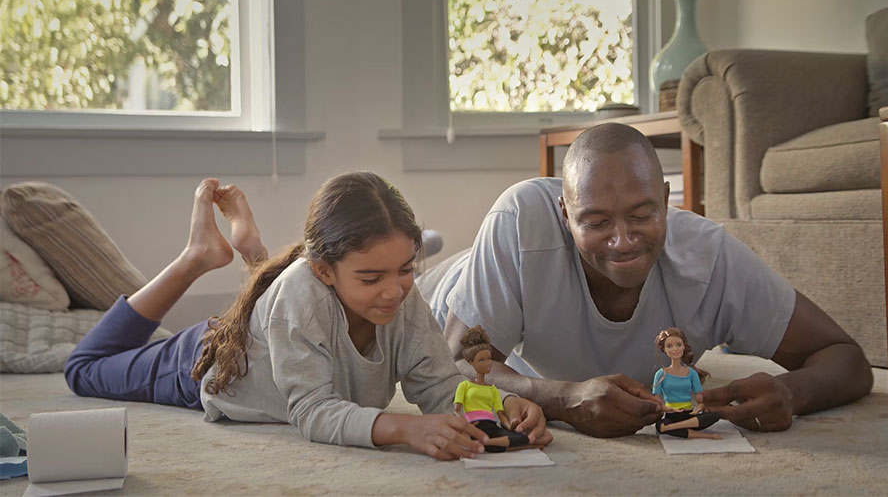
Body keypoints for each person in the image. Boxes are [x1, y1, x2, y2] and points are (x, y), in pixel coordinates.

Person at [421, 122, 873, 438]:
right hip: (444, 293)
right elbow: (456, 368)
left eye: (642, 215)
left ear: (666, 198)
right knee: (397, 284)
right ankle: (420, 251)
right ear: (564, 214)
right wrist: (564, 399)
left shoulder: (711, 257)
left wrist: (792, 392)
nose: (622, 242)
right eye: (596, 221)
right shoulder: (520, 219)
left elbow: (847, 359)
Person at [64, 172, 551, 460]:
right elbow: (313, 413)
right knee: (84, 369)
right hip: (207, 362)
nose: (393, 291)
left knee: (298, 303)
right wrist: (404, 428)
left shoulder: (403, 296)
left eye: (405, 269)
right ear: (324, 271)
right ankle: (197, 256)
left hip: (277, 325)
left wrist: (501, 406)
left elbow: (439, 387)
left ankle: (255, 259)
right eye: (370, 278)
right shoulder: (303, 290)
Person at [454, 326, 532, 452]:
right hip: (474, 424)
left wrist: (510, 426)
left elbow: (500, 414)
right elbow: (457, 411)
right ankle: (485, 442)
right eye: (481, 360)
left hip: (491, 425)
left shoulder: (493, 389)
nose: (487, 363)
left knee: (523, 438)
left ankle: (484, 442)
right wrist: (466, 426)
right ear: (471, 362)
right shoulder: (465, 386)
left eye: (489, 359)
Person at [652, 327, 720, 440]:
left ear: (684, 346)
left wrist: (700, 406)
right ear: (664, 349)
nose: (675, 349)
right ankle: (705, 435)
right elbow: (656, 400)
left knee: (715, 415)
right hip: (671, 415)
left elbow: (699, 399)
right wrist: (666, 408)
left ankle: (673, 428)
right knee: (660, 425)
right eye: (669, 346)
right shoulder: (660, 374)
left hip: (689, 415)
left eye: (678, 344)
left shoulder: (691, 373)